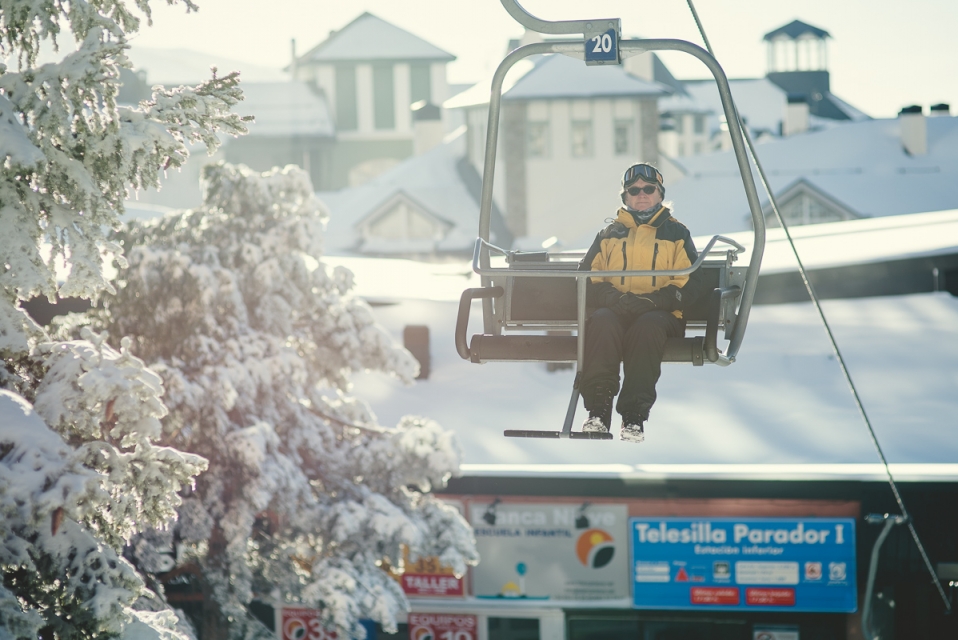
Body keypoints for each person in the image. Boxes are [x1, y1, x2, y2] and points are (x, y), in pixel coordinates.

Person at [578, 162, 708, 442]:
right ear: (625, 197)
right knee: (601, 322)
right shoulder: (609, 234)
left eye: (649, 189)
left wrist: (655, 301)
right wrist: (612, 297)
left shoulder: (675, 233)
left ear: (659, 194)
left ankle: (633, 417)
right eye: (634, 190)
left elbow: (689, 280)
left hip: (660, 316)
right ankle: (598, 411)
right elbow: (588, 276)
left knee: (647, 328)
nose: (641, 194)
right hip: (616, 309)